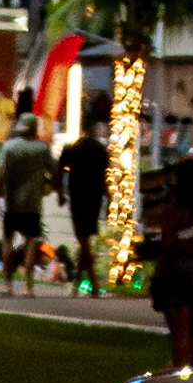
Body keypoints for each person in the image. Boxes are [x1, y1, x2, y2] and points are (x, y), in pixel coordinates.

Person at [146, 149, 193, 368]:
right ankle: (192, 362)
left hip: (179, 268)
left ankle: (179, 363)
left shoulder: (175, 212)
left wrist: (158, 273)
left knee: (177, 323)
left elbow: (167, 246)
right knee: (190, 322)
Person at [0, 109, 55, 298]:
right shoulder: (42, 148)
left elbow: (1, 174)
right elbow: (54, 171)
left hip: (12, 202)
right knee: (31, 242)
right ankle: (28, 286)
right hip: (32, 203)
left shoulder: (8, 147)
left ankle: (8, 285)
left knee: (7, 240)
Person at [57, 117, 112, 290]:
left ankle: (92, 281)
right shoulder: (99, 149)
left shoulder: (73, 148)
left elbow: (60, 170)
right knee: (85, 238)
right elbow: (104, 176)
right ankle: (79, 281)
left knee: (83, 238)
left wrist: (59, 192)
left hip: (78, 195)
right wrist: (108, 196)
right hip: (94, 196)